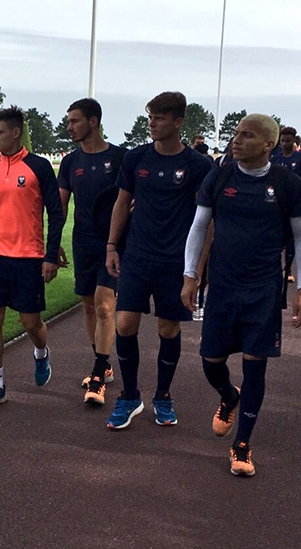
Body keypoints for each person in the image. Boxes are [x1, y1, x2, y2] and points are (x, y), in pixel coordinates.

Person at [182, 113, 301, 476]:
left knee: (256, 366)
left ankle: (242, 444)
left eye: (247, 136)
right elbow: (199, 226)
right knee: (211, 361)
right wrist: (190, 276)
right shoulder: (219, 175)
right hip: (222, 286)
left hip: (264, 290)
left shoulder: (286, 184)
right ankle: (228, 396)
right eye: (236, 134)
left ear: (268, 144)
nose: (236, 140)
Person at [104, 91, 215, 429]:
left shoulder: (197, 165)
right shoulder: (136, 158)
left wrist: (195, 270)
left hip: (175, 261)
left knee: (168, 328)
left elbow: (207, 220)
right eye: (150, 117)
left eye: (160, 118)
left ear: (178, 122)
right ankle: (129, 395)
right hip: (137, 255)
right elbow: (122, 203)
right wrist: (111, 246)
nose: (152, 123)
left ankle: (163, 396)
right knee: (124, 324)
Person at [0, 105, 64, 409]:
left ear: (15, 132)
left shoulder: (39, 167)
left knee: (30, 322)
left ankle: (41, 353)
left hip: (29, 257)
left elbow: (56, 213)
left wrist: (50, 254)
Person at [57, 98, 127, 405]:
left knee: (104, 305)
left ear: (93, 121)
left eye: (74, 121)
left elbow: (131, 199)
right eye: (69, 121)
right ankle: (103, 359)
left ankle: (98, 374)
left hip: (113, 243)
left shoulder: (121, 158)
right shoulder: (71, 162)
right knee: (89, 305)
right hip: (82, 241)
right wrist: (52, 243)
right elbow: (60, 205)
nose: (69, 126)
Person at [270, 127, 301, 283]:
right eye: (282, 141)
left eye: (288, 141)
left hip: (293, 205)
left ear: (294, 141)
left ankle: (289, 269)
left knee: (293, 240)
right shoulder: (275, 158)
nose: (285, 144)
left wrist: (289, 179)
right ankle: (276, 269)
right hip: (276, 204)